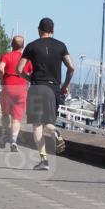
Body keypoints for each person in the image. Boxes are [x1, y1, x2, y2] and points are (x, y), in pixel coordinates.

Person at [17, 18, 75, 170]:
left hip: (37, 87)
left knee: (37, 124)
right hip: (54, 89)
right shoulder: (61, 46)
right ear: (53, 30)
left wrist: (29, 78)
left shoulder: (31, 46)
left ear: (39, 30)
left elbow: (19, 69)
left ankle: (44, 160)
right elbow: (71, 67)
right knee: (48, 122)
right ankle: (55, 131)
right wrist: (65, 85)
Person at [0, 35, 32, 151]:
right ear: (23, 46)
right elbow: (32, 73)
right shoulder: (27, 59)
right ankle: (13, 141)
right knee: (16, 118)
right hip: (21, 89)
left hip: (7, 87)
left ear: (12, 44)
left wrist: (2, 78)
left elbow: (1, 68)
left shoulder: (6, 56)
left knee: (5, 114)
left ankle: (4, 136)